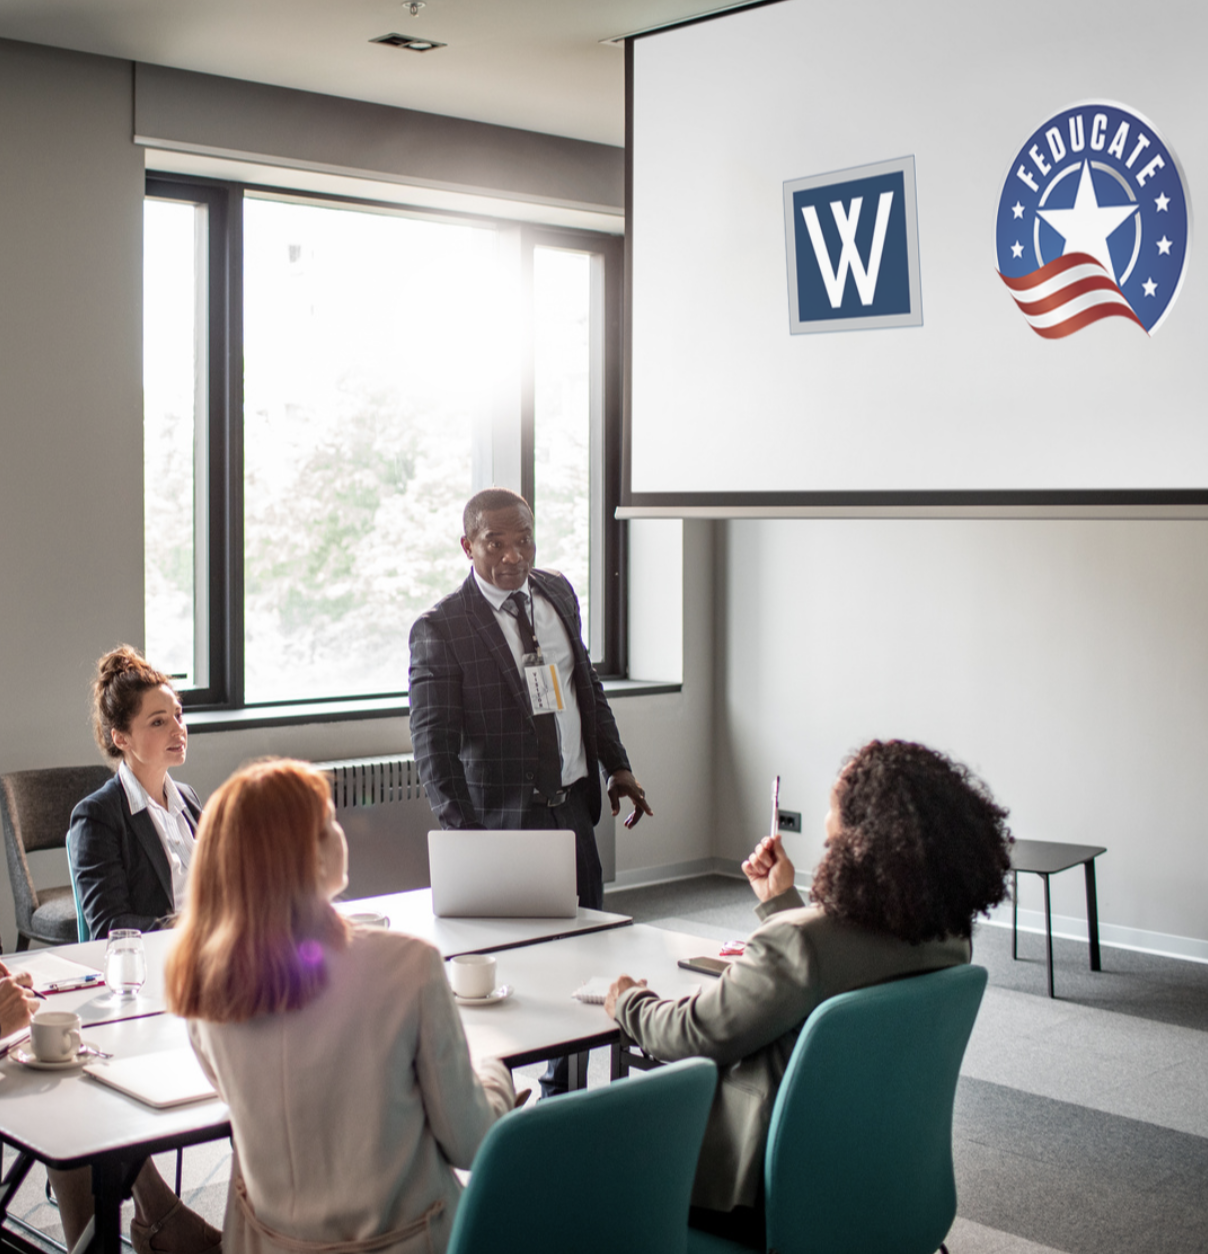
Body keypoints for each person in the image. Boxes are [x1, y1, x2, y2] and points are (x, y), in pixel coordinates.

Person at [605, 739, 1013, 1247]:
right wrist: (782, 903)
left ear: (863, 837)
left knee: (595, 1166)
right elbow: (840, 968)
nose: (824, 823)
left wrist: (628, 1001)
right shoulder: (950, 937)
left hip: (760, 1195)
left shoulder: (802, 943)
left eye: (832, 808)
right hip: (881, 1182)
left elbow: (695, 1033)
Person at [164, 759, 516, 1254]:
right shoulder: (409, 965)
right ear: (301, 856)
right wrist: (493, 1069)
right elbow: (473, 1142)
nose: (341, 832)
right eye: (328, 823)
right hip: (409, 1241)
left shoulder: (203, 983)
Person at [408, 487, 652, 911]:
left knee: (589, 935)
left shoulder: (558, 592)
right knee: (521, 952)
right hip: (503, 820)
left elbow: (586, 685)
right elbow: (434, 747)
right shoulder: (442, 628)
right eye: (495, 544)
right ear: (468, 547)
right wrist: (465, 837)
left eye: (524, 541)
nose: (513, 556)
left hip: (574, 808)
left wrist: (617, 765)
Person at [68, 646, 202, 940]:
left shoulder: (187, 799)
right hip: (153, 965)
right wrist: (191, 927)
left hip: (206, 955)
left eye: (178, 715)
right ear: (121, 737)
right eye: (158, 721)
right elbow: (109, 925)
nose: (177, 730)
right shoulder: (98, 816)